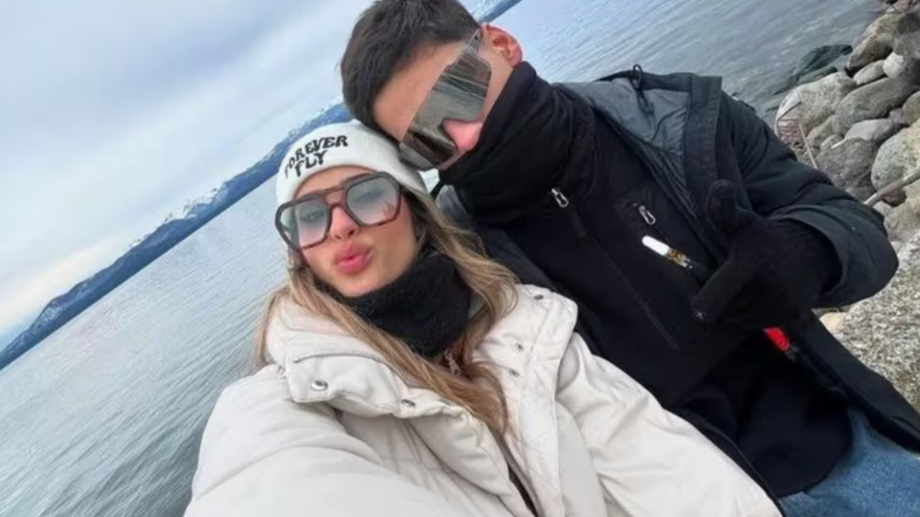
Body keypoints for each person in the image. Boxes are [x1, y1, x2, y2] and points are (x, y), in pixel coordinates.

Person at [338, 1, 920, 516]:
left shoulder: (681, 122)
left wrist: (809, 252)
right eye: (428, 140)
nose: (462, 138)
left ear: (502, 43)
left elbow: (856, 232)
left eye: (457, 93)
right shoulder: (461, 260)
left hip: (840, 452)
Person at [183, 122, 781, 517]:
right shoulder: (282, 403)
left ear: (416, 210)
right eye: (309, 217)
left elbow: (655, 461)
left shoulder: (523, 324)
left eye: (366, 196)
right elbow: (263, 486)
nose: (340, 226)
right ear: (298, 252)